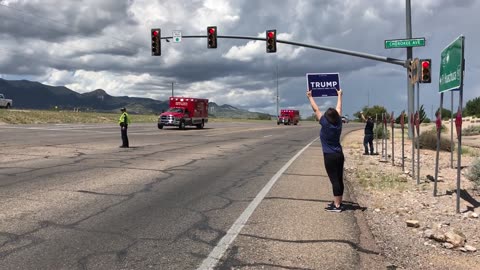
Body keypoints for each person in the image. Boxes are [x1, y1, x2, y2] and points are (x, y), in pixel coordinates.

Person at [307, 88, 344, 212]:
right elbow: (338, 109)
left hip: (330, 156)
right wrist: (339, 95)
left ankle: (337, 206)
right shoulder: (339, 123)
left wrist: (310, 97)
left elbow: (316, 109)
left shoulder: (325, 123)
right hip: (339, 154)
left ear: (327, 117)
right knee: (339, 178)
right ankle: (339, 201)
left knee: (334, 180)